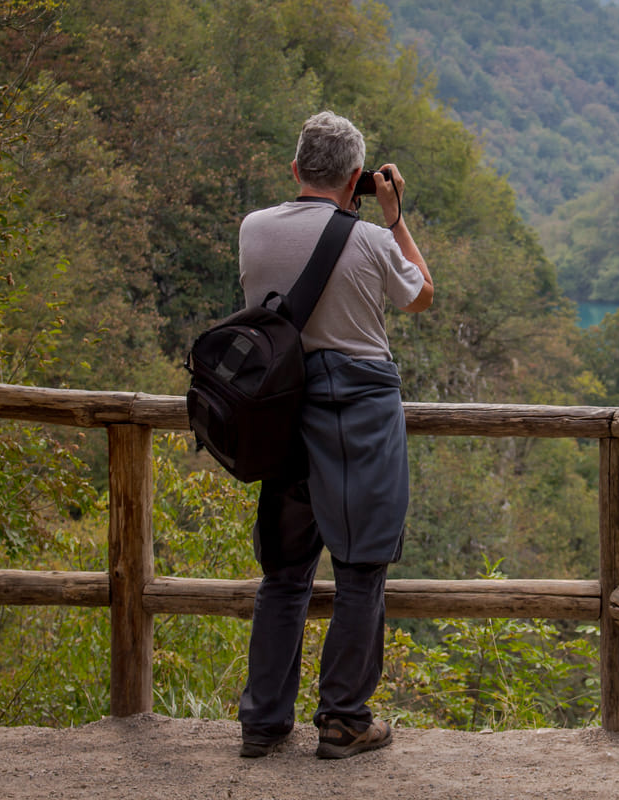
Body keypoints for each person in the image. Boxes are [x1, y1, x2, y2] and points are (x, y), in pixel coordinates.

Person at [234, 111, 433, 760]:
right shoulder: (372, 240)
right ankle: (344, 719)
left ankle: (263, 722)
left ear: (294, 170)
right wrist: (395, 215)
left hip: (282, 415)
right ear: (358, 180)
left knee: (284, 576)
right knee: (360, 568)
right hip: (359, 420)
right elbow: (422, 295)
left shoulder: (254, 230)